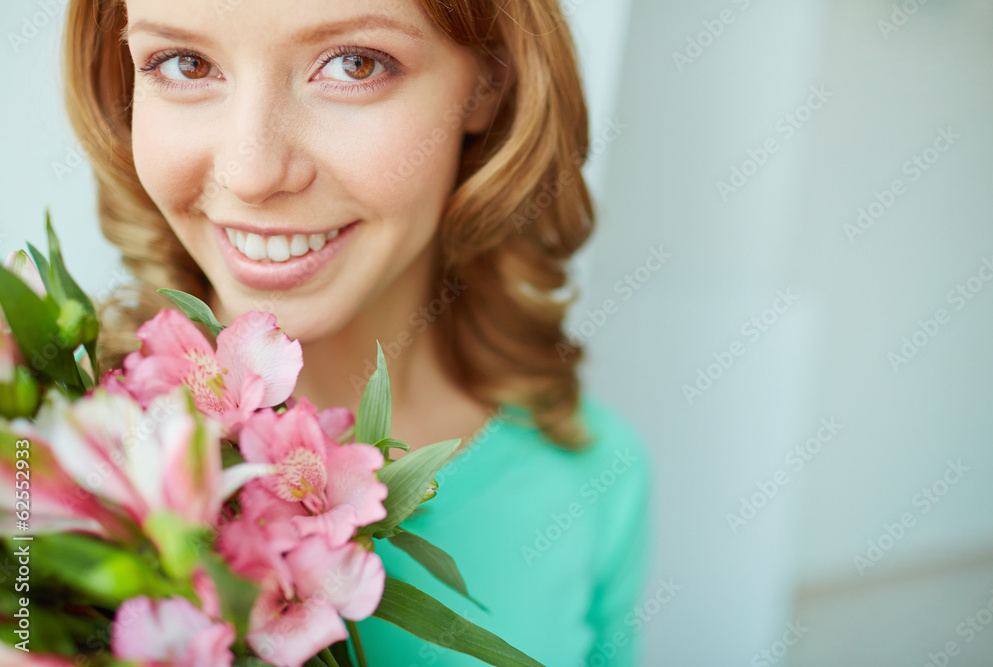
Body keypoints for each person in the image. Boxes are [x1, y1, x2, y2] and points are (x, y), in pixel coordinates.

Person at [63, 0, 653, 664]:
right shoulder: (47, 465)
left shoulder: (594, 475)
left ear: (491, 80)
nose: (252, 174)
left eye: (354, 64)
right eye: (185, 63)